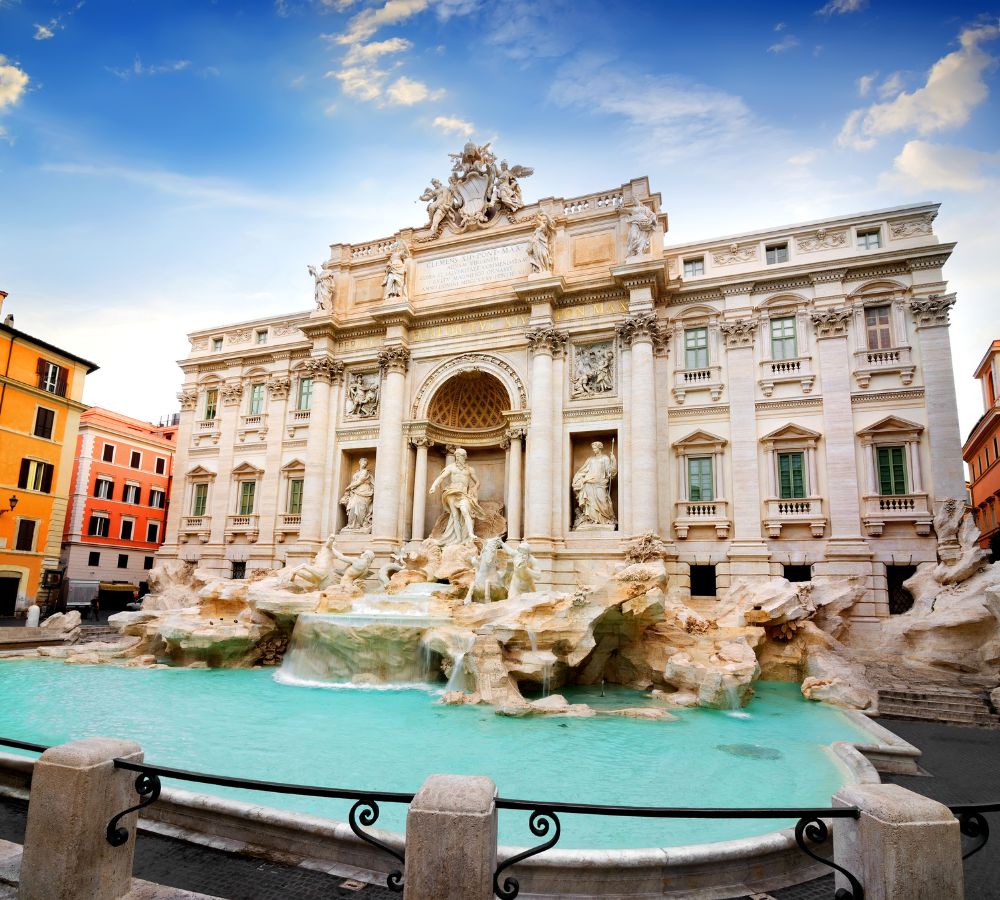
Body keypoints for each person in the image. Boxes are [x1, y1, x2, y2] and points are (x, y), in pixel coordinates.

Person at [428, 448, 485, 545]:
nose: (459, 458)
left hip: (463, 494)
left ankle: (471, 533)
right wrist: (434, 486)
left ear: (465, 457)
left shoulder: (470, 469)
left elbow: (478, 482)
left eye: (461, 456)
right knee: (455, 515)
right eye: (457, 456)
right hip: (451, 492)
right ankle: (458, 539)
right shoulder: (451, 467)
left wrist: (474, 488)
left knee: (464, 510)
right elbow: (441, 477)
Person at [572, 441, 618, 527]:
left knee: (602, 500)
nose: (594, 450)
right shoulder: (590, 459)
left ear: (599, 448)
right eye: (593, 448)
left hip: (600, 482)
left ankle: (605, 519)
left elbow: (610, 472)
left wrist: (613, 460)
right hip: (589, 482)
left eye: (595, 448)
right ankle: (591, 520)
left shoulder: (605, 458)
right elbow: (583, 470)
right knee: (590, 502)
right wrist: (579, 477)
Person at [341, 458, 375, 532]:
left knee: (361, 508)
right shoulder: (356, 473)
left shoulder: (365, 472)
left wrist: (349, 487)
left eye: (365, 464)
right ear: (359, 463)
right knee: (352, 506)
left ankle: (359, 525)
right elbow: (354, 482)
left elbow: (360, 481)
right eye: (363, 463)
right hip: (356, 492)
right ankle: (351, 525)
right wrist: (350, 490)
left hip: (365, 491)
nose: (364, 464)